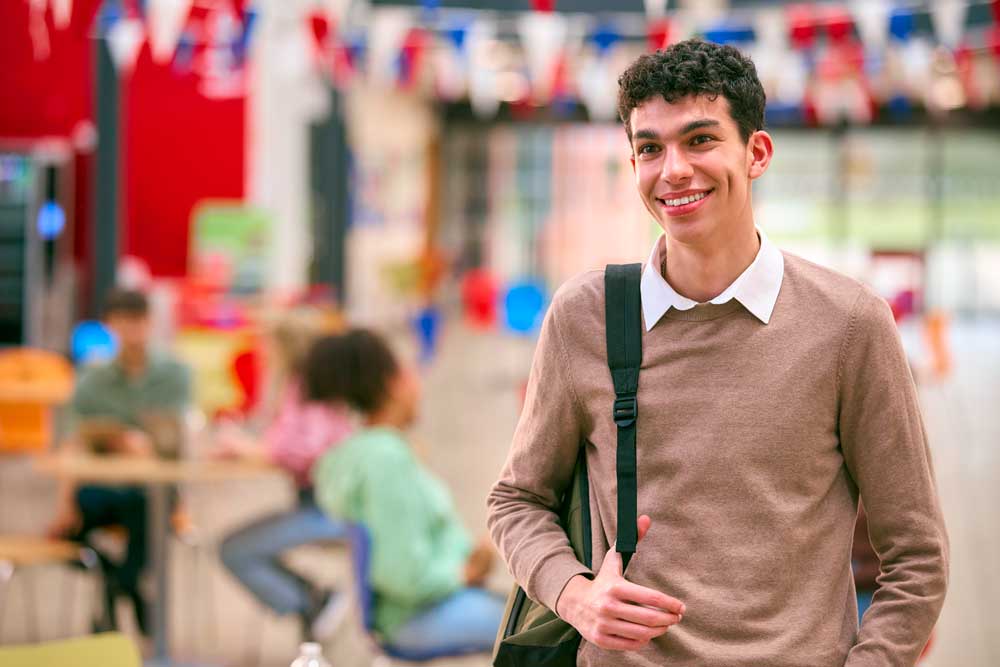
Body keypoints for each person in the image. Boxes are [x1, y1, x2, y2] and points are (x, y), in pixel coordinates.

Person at [487, 39, 948, 666]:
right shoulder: (586, 317)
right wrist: (574, 594)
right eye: (649, 148)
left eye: (700, 140)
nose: (672, 169)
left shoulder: (849, 325)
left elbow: (916, 555)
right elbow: (517, 500)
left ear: (756, 152)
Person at [308, 329, 503, 656]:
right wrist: (463, 573)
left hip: (418, 608)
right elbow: (402, 574)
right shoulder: (385, 460)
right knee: (549, 634)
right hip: (414, 616)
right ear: (392, 383)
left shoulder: (365, 452)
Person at [46, 288, 192, 633]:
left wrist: (141, 444)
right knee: (72, 531)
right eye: (124, 322)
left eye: (139, 322)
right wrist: (63, 501)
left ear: (151, 323)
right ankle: (125, 585)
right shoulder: (93, 379)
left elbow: (177, 440)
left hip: (151, 490)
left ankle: (118, 589)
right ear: (110, 325)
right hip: (103, 486)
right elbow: (73, 442)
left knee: (146, 510)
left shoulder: (174, 373)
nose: (132, 331)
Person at [216, 309, 354, 639]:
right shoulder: (308, 386)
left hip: (328, 509)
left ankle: (313, 602)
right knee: (236, 547)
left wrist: (248, 449)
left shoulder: (309, 388)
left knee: (234, 551)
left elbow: (306, 450)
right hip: (319, 504)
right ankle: (315, 600)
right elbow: (287, 440)